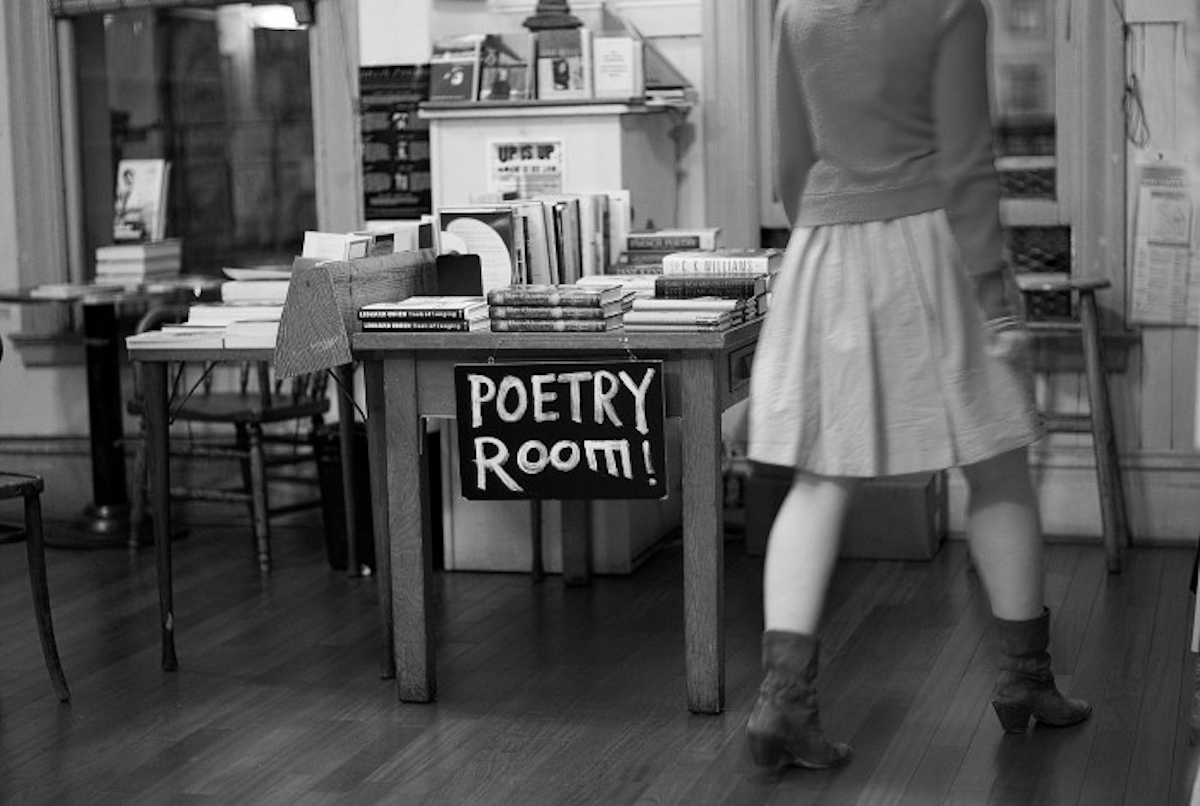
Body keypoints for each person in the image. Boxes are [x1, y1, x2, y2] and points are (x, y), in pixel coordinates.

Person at [744, 0, 1091, 771]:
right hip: (932, 242)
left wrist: (828, 229)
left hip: (824, 251)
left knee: (818, 479)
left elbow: (790, 163)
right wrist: (996, 300)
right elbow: (967, 160)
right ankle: (1025, 678)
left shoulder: (796, 9)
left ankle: (782, 704)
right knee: (998, 463)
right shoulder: (949, 5)